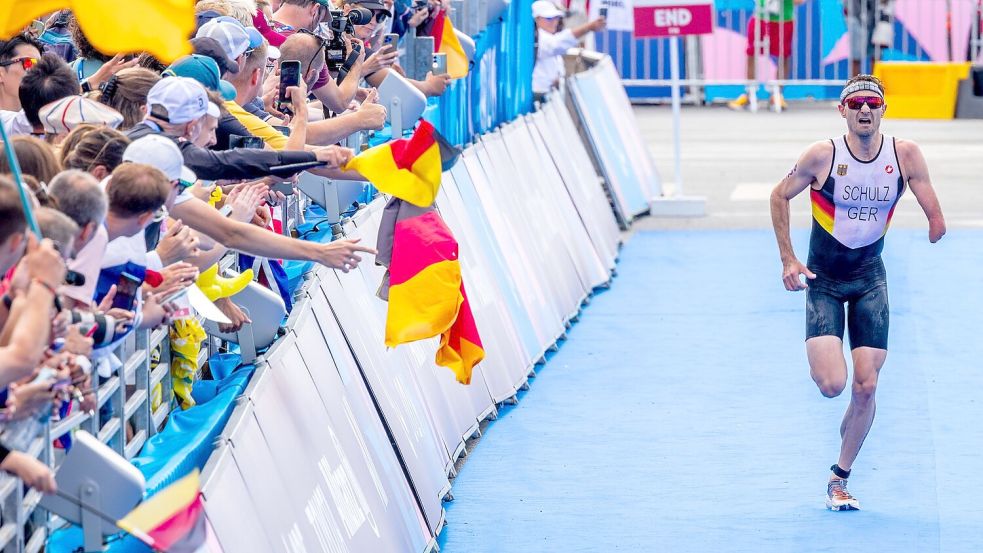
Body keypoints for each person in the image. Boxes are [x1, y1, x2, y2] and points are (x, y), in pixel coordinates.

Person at [769, 74, 946, 511]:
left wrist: (936, 223)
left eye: (872, 103)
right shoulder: (821, 155)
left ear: (884, 109)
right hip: (824, 280)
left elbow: (930, 203)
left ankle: (839, 476)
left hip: (870, 278)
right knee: (833, 385)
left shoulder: (905, 155)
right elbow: (778, 196)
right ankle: (851, 424)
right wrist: (789, 260)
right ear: (842, 110)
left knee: (866, 387)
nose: (864, 110)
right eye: (856, 103)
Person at [728, 0, 807, 111]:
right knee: (751, 53)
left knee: (783, 56)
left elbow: (798, 1)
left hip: (784, 20)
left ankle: (777, 95)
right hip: (760, 18)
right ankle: (750, 93)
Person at [531, 0, 605, 99]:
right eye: (549, 18)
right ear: (537, 19)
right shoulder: (536, 37)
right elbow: (557, 44)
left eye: (556, 18)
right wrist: (589, 27)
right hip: (539, 95)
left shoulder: (547, 37)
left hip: (549, 95)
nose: (554, 22)